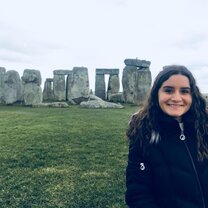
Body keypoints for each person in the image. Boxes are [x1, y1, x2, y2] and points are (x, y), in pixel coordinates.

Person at [125, 65, 208, 208]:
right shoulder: (143, 133)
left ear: (192, 95)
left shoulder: (204, 127)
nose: (176, 98)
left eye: (184, 91)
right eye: (168, 90)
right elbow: (138, 194)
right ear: (156, 93)